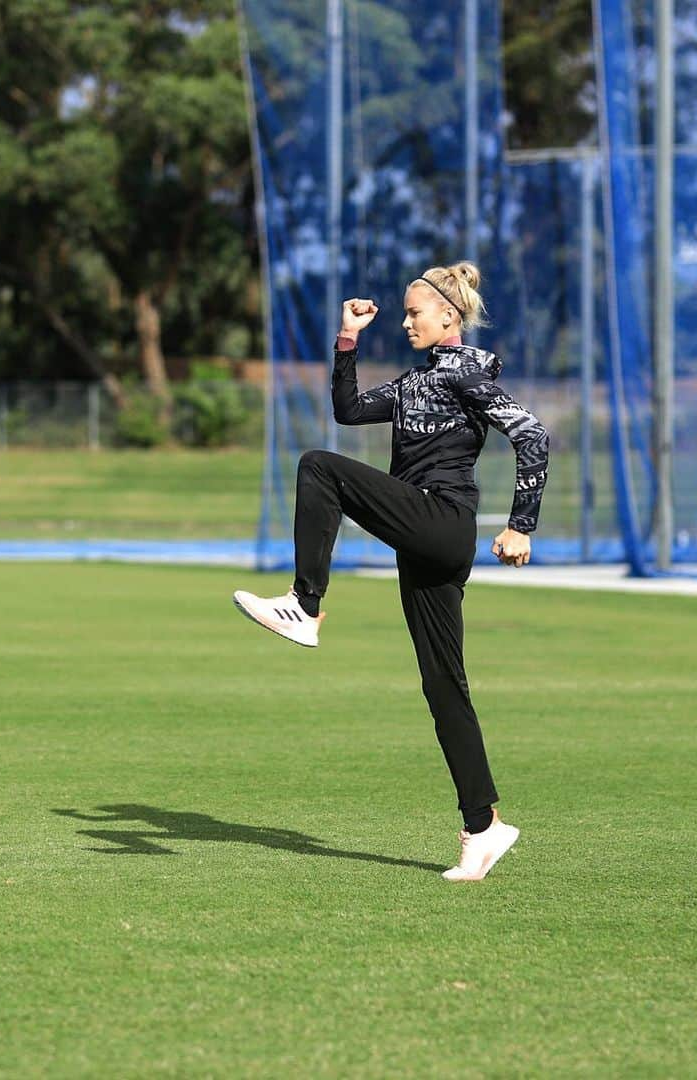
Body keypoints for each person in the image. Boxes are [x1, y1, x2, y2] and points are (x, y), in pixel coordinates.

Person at [233, 262, 549, 882]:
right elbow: (349, 410)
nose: (405, 322)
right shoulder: (413, 382)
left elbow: (532, 436)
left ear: (448, 318)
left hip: (444, 521)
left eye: (414, 313)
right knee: (443, 688)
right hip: (423, 541)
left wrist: (521, 525)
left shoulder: (466, 372)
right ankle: (484, 827)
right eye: (403, 314)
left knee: (320, 469)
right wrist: (347, 339)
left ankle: (306, 603)